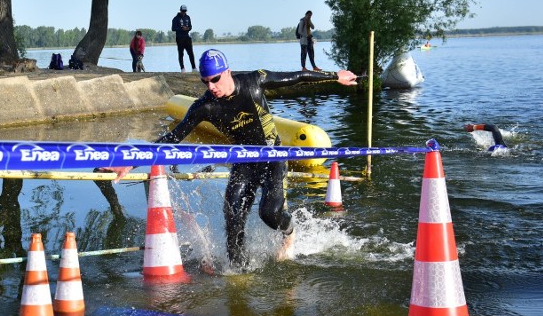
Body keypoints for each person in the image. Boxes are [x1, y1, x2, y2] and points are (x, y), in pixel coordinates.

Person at [102, 49, 358, 269]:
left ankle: (289, 231)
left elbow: (297, 77)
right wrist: (131, 161)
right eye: (205, 82)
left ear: (228, 72)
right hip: (244, 159)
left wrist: (335, 76)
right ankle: (238, 269)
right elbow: (172, 138)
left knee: (269, 214)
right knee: (232, 213)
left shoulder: (254, 81)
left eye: (215, 79)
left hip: (273, 155)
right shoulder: (204, 106)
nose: (211, 87)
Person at [171, 4, 196, 73]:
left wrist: (188, 28)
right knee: (181, 54)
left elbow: (190, 27)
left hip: (187, 37)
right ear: (180, 10)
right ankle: (182, 68)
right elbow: (173, 28)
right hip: (179, 38)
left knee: (191, 53)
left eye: (185, 11)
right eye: (182, 11)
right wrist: (181, 29)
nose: (183, 12)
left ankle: (194, 68)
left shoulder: (188, 17)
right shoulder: (175, 18)